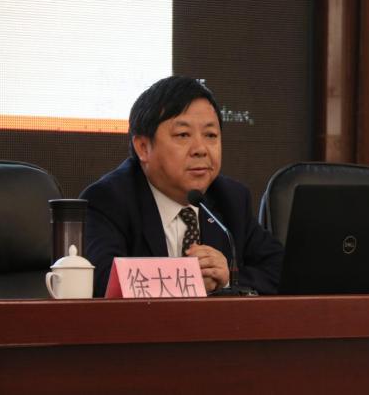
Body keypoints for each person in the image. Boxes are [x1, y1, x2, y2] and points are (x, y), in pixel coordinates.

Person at [80, 76, 284, 296]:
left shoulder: (231, 199)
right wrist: (188, 279)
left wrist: (228, 279)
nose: (201, 149)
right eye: (183, 135)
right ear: (143, 147)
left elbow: (281, 272)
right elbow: (105, 282)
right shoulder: (108, 200)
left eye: (211, 135)